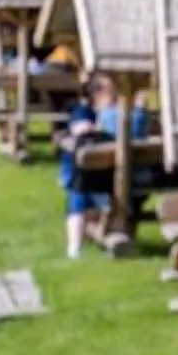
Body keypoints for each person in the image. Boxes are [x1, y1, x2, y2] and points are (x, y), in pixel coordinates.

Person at [55, 75, 113, 259]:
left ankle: (97, 235)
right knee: (79, 197)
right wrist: (97, 127)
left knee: (98, 199)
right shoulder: (84, 110)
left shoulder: (114, 112)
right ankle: (75, 247)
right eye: (110, 92)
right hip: (82, 169)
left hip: (106, 168)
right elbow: (79, 128)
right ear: (97, 94)